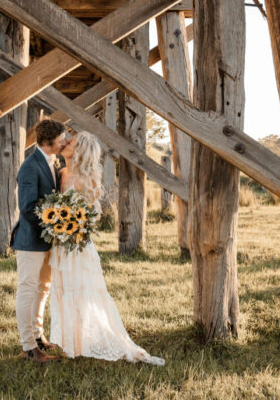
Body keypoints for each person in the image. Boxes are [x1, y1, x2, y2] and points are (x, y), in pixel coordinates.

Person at [50, 131, 165, 366]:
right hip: (61, 244)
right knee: (65, 289)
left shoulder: (85, 178)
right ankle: (72, 342)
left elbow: (95, 214)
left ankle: (92, 341)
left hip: (78, 244)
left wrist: (75, 226)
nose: (65, 143)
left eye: (70, 142)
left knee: (82, 291)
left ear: (80, 150)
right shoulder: (61, 173)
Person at [11, 119, 68, 364]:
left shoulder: (52, 163)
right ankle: (28, 347)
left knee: (42, 289)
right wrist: (56, 224)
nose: (64, 143)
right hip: (30, 239)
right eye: (61, 139)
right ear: (48, 142)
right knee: (27, 289)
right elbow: (27, 207)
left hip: (47, 241)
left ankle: (38, 337)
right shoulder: (29, 166)